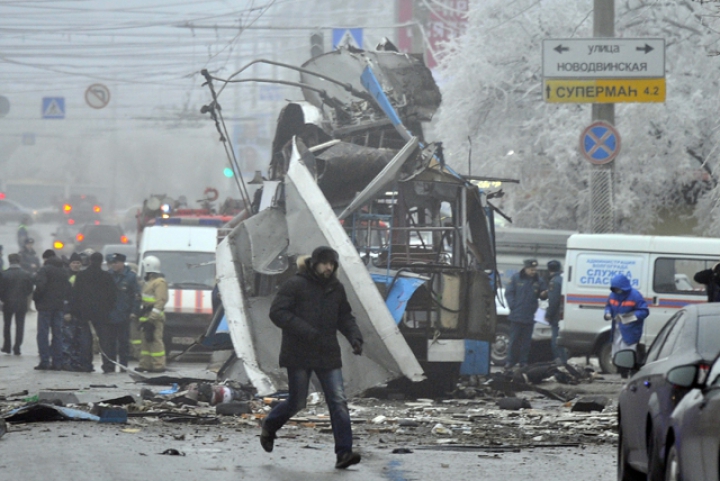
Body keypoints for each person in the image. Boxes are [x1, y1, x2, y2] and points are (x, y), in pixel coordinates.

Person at [260, 246, 363, 470]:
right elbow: (277, 313)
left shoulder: (336, 289)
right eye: (325, 263)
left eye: (332, 264)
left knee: (338, 401)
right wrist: (305, 331)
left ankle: (343, 453)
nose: (329, 268)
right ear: (314, 263)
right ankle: (270, 424)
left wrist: (355, 337)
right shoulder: (295, 284)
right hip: (298, 353)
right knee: (297, 402)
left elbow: (344, 316)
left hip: (327, 353)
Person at [71, 252, 117, 373]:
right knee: (105, 340)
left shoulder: (81, 275)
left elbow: (75, 294)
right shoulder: (107, 276)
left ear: (90, 261)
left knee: (86, 340)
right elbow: (113, 295)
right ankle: (108, 366)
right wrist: (108, 309)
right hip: (102, 314)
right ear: (102, 262)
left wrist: (76, 311)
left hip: (85, 313)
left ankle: (86, 365)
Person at [504, 259, 547, 369]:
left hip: (529, 316)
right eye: (531, 269)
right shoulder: (516, 278)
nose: (533, 271)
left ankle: (523, 362)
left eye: (535, 269)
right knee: (514, 341)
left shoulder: (538, 280)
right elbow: (509, 293)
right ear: (526, 268)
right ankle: (510, 361)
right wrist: (513, 306)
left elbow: (543, 295)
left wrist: (544, 294)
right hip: (516, 316)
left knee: (526, 343)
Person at [603, 274, 649, 372]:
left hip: (631, 331)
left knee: (628, 357)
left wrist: (629, 317)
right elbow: (608, 306)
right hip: (617, 330)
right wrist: (607, 313)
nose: (617, 292)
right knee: (617, 356)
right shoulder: (613, 295)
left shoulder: (635, 295)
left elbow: (644, 311)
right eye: (615, 289)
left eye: (618, 289)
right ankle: (621, 375)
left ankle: (629, 375)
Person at [33, 254, 71, 370]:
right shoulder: (64, 272)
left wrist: (36, 298)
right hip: (59, 306)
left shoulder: (44, 270)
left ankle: (45, 361)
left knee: (43, 334)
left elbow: (40, 286)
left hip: (45, 307)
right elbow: (67, 289)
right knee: (57, 334)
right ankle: (57, 362)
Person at [104, 253, 139, 373]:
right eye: (113, 263)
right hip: (110, 315)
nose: (114, 265)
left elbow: (136, 296)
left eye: (116, 263)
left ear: (122, 263)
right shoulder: (108, 275)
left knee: (123, 343)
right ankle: (110, 366)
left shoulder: (130, 277)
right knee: (110, 343)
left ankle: (123, 366)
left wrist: (134, 311)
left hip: (124, 315)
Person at [136, 255, 168, 373]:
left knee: (155, 342)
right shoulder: (149, 282)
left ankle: (158, 365)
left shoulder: (159, 282)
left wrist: (152, 318)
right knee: (145, 342)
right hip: (146, 316)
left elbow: (160, 302)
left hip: (154, 318)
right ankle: (145, 364)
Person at [61, 252, 93, 372]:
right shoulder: (66, 277)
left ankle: (77, 362)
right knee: (68, 339)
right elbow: (64, 296)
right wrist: (66, 311)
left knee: (79, 340)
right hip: (70, 313)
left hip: (80, 313)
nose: (76, 265)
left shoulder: (84, 276)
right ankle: (67, 362)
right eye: (74, 263)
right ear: (69, 264)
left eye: (78, 263)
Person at [0, 254, 33, 355]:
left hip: (7, 302)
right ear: (19, 261)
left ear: (9, 261)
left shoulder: (3, 274)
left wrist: (3, 299)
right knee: (20, 325)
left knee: (7, 325)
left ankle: (7, 346)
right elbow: (30, 289)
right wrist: (24, 296)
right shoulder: (26, 274)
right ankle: (17, 347)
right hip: (21, 302)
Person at [545, 260, 567, 365]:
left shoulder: (554, 282)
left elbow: (553, 301)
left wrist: (548, 314)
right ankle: (563, 361)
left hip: (556, 316)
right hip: (562, 315)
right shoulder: (562, 280)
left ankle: (560, 362)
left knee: (556, 341)